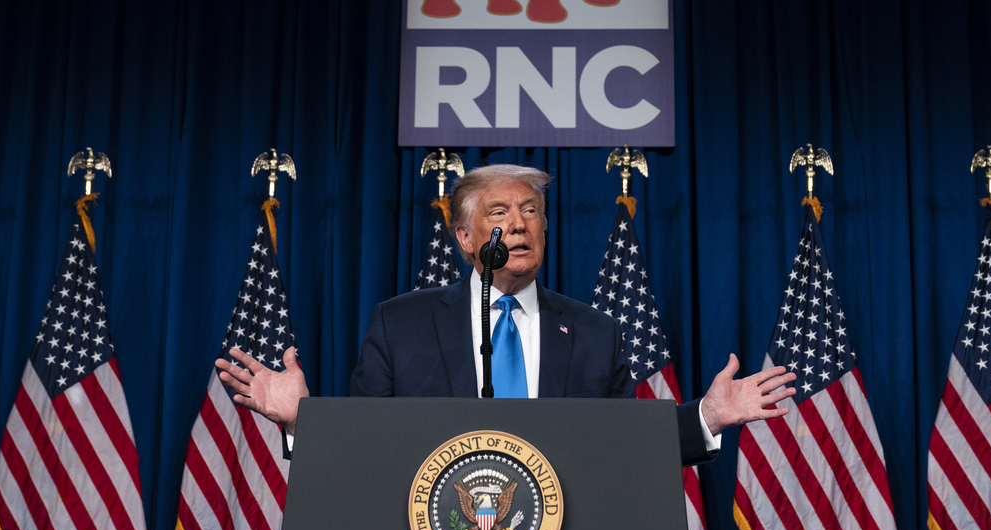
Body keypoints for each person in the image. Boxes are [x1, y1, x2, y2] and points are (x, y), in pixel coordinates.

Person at [216, 164, 795, 464]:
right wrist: (302, 420)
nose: (517, 224)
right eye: (499, 212)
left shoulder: (594, 333)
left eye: (530, 211)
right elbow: (369, 444)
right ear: (465, 238)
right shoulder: (402, 324)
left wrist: (707, 417)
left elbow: (626, 446)